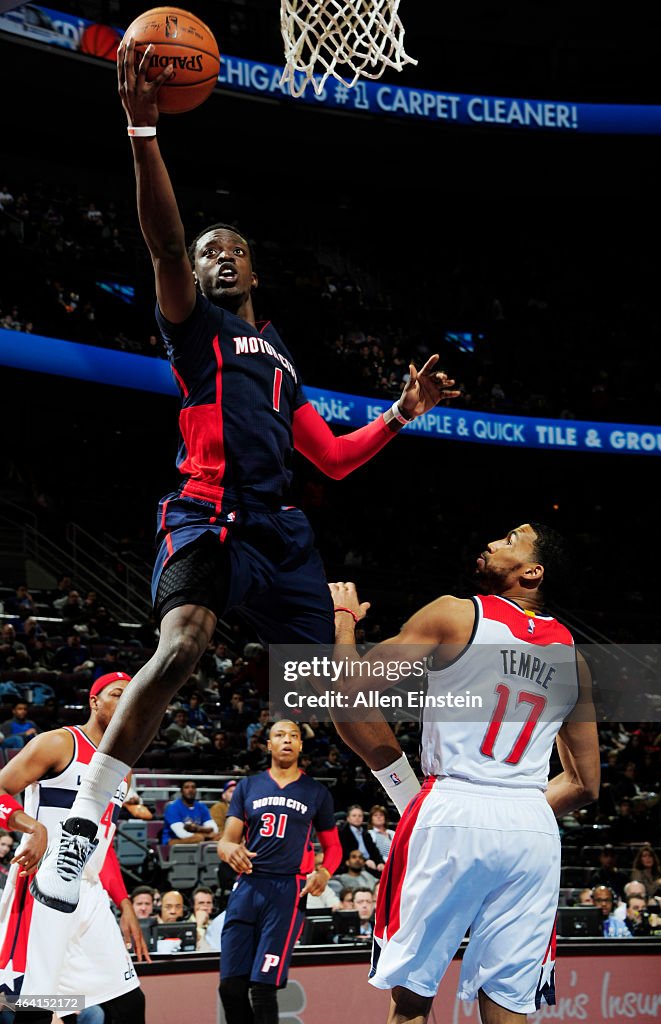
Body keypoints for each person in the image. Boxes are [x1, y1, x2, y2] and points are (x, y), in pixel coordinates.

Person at [32, 38, 460, 916]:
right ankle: (84, 824)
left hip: (279, 531)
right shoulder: (195, 328)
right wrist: (144, 128)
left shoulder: (282, 359)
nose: (218, 256)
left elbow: (332, 459)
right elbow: (159, 241)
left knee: (327, 691)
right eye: (207, 251)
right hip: (206, 515)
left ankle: (422, 815)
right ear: (193, 276)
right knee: (184, 642)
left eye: (233, 249)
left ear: (256, 271)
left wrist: (398, 414)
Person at [329, 522, 601, 1024]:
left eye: (511, 540)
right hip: (531, 828)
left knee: (411, 998)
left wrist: (344, 621)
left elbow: (349, 694)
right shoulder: (575, 660)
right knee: (508, 1002)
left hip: (452, 808)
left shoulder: (455, 613)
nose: (494, 541)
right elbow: (585, 784)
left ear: (532, 571)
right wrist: (511, 808)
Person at [0, 672, 147, 1023]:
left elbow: (102, 845)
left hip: (89, 894)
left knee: (127, 1005)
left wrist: (124, 903)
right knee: (29, 1008)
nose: (125, 701)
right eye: (116, 694)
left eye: (132, 696)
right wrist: (30, 825)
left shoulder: (121, 771)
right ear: (94, 702)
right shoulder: (59, 743)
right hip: (43, 886)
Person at [217, 719, 342, 1024]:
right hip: (248, 885)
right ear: (268, 744)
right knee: (230, 987)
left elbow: (334, 848)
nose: (286, 740)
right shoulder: (247, 786)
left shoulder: (315, 792)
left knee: (263, 987)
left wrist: (324, 873)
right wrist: (228, 849)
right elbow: (225, 842)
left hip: (288, 891)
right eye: (279, 735)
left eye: (293, 736)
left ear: (300, 745)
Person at [161, 779, 219, 845]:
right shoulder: (173, 807)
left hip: (200, 838)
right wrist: (205, 833)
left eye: (193, 787)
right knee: (198, 838)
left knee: (221, 836)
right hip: (174, 840)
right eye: (186, 787)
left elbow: (214, 829)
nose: (190, 790)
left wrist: (196, 828)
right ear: (181, 791)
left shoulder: (201, 806)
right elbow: (181, 834)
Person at [338, 804, 384, 873]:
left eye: (360, 816)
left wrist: (380, 862)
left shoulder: (366, 833)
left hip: (371, 863)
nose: (357, 818)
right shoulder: (342, 833)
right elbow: (347, 853)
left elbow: (374, 850)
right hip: (354, 865)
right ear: (348, 818)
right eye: (354, 816)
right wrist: (364, 861)